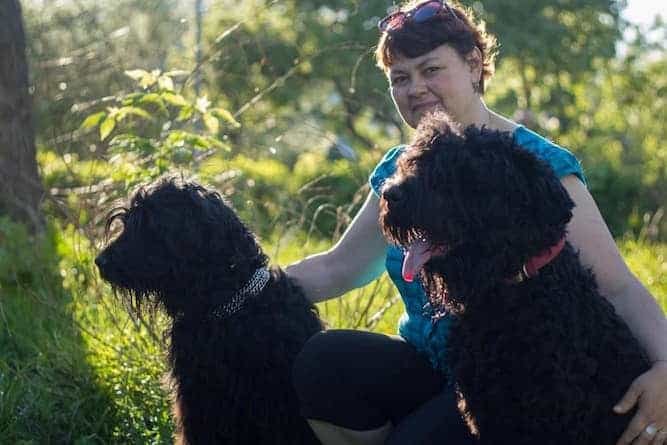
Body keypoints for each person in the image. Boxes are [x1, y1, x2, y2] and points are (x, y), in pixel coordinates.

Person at [286, 1, 667, 444]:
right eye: (400, 78)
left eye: (430, 69)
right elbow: (338, 267)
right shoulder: (401, 174)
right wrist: (245, 287)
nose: (415, 89)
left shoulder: (534, 166)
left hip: (515, 373)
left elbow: (617, 286)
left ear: (473, 64)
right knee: (325, 362)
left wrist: (665, 369)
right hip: (436, 363)